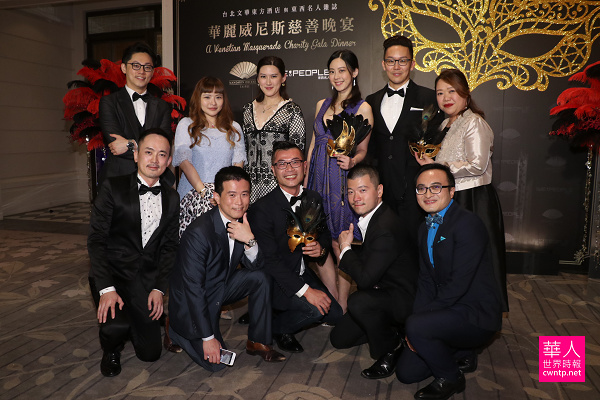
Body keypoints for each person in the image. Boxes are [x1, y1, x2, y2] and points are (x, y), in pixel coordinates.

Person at [395, 163, 502, 400]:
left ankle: (452, 378)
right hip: (449, 308)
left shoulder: (468, 224)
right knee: (406, 373)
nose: (428, 194)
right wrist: (418, 318)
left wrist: (417, 324)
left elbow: (458, 285)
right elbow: (425, 280)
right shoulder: (424, 228)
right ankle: (463, 352)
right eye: (421, 189)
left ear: (452, 191)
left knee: (417, 327)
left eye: (436, 187)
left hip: (476, 312)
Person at [167, 166, 285, 372]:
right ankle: (174, 328)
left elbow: (257, 267)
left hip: (220, 286)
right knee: (217, 364)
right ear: (217, 198)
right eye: (231, 195)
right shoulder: (199, 233)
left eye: (244, 194)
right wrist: (208, 338)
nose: (239, 202)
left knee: (261, 277)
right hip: (192, 300)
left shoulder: (244, 221)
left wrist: (249, 241)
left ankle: (258, 340)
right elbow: (193, 289)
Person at [87, 128, 179, 377]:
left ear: (169, 161)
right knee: (115, 326)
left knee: (150, 353)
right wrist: (106, 289)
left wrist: (159, 288)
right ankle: (112, 348)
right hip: (112, 273)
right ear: (136, 155)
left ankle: (132, 318)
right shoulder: (113, 187)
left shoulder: (172, 198)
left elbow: (170, 247)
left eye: (162, 154)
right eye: (149, 152)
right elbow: (96, 240)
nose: (155, 160)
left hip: (144, 279)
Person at [414, 68, 508, 311]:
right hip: (451, 198)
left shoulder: (474, 122)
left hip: (473, 200)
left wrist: (439, 167)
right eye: (440, 93)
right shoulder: (443, 124)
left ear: (465, 93)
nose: (446, 98)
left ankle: (479, 311)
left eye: (451, 91)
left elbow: (478, 165)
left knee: (474, 259)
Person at [248, 141, 343, 354]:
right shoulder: (261, 209)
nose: (289, 169)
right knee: (315, 310)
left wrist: (321, 248)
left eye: (295, 162)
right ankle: (274, 327)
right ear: (273, 170)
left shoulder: (313, 198)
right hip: (275, 280)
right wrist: (307, 292)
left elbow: (324, 234)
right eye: (282, 164)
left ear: (305, 166)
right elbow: (270, 262)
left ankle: (282, 317)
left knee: (335, 314)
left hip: (300, 271)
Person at [329, 164, 418, 379]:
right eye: (351, 192)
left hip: (404, 299)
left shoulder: (385, 226)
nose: (356, 198)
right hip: (382, 289)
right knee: (339, 339)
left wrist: (345, 248)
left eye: (363, 190)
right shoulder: (376, 216)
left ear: (379, 191)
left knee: (359, 302)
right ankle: (388, 328)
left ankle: (392, 347)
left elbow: (365, 280)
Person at [306, 49, 373, 312]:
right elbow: (314, 145)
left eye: (342, 70)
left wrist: (352, 162)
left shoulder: (363, 108)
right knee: (318, 241)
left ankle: (343, 304)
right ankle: (334, 301)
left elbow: (363, 150)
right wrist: (306, 178)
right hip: (317, 180)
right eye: (332, 71)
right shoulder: (321, 104)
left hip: (341, 180)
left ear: (354, 72)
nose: (337, 76)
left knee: (339, 241)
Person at [365, 35, 435, 248]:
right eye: (391, 61)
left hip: (415, 192)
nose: (396, 66)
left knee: (416, 249)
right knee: (383, 248)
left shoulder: (429, 98)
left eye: (402, 60)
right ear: (383, 64)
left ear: (412, 64)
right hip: (382, 193)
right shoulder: (371, 101)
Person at [173, 76, 246, 237]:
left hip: (225, 197)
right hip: (193, 194)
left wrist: (224, 194)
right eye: (207, 97)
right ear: (198, 99)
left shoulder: (234, 128)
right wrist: (205, 192)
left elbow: (237, 167)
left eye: (218, 97)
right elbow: (184, 162)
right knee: (194, 245)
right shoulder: (186, 124)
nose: (213, 102)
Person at [98, 42, 174, 186]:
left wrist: (130, 144)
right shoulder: (109, 102)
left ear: (152, 71)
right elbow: (116, 145)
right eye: (136, 66)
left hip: (154, 180)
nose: (142, 71)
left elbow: (164, 144)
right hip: (118, 180)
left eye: (147, 67)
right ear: (124, 68)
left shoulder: (162, 106)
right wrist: (149, 149)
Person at [243, 56, 306, 203]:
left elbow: (297, 155)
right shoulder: (247, 110)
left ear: (283, 78)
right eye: (263, 76)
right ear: (257, 79)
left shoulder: (292, 111)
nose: (268, 82)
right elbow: (244, 150)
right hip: (250, 189)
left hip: (279, 187)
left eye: (273, 76)